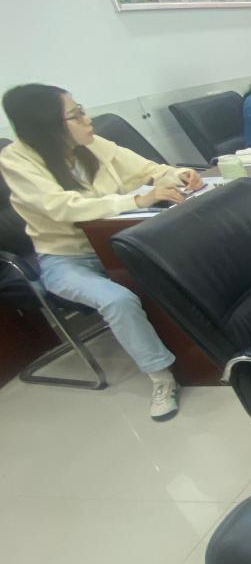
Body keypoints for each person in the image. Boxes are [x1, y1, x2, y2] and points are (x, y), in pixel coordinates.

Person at [0, 84, 200, 419]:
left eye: (82, 109)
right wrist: (138, 199)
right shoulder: (16, 159)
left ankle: (203, 346)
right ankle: (161, 377)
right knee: (117, 300)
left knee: (182, 261)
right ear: (47, 125)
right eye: (75, 115)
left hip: (114, 242)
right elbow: (62, 207)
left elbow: (147, 169)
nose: (87, 119)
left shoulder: (92, 143)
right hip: (65, 258)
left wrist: (178, 174)